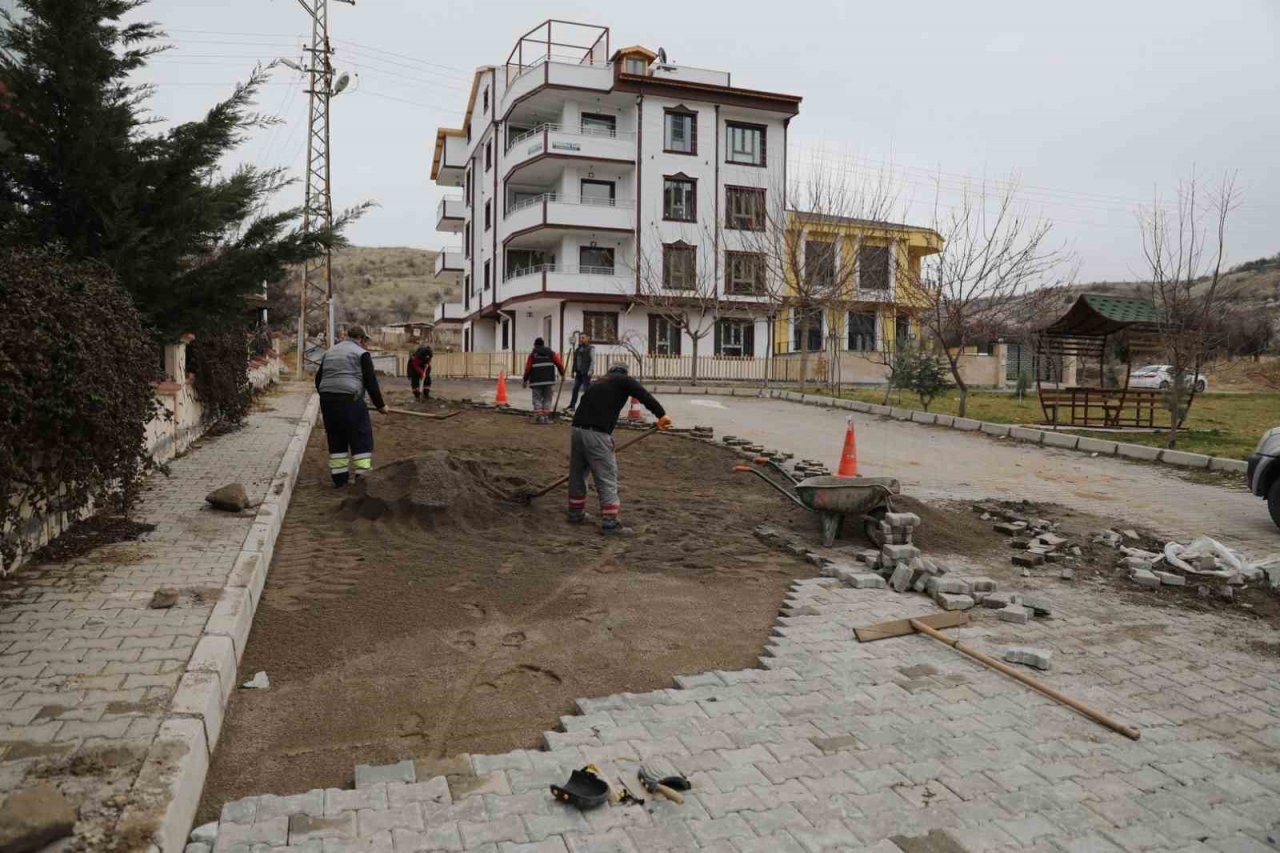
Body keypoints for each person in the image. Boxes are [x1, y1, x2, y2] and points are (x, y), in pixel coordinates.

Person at [568, 364, 672, 534]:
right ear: (624, 373)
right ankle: (610, 522)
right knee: (606, 475)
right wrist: (661, 415)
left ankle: (575, 513)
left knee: (578, 473)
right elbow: (644, 395)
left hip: (577, 430)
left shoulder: (598, 381)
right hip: (597, 434)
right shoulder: (624, 380)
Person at [315, 326, 386, 487]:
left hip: (328, 400)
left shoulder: (330, 352)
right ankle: (362, 478)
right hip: (350, 399)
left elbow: (318, 379)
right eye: (365, 340)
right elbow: (371, 383)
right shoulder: (361, 353)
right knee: (360, 435)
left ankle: (340, 480)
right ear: (361, 338)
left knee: (336, 437)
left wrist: (329, 398)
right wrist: (381, 405)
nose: (366, 344)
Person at [522, 337, 565, 424]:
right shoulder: (550, 353)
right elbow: (559, 363)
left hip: (536, 380)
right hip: (549, 380)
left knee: (537, 398)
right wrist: (562, 374)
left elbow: (528, 368)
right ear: (543, 344)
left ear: (535, 345)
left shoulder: (533, 355)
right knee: (547, 398)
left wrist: (525, 380)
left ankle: (539, 417)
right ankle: (546, 418)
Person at [566, 332, 594, 412]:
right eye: (580, 338)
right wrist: (573, 371)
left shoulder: (591, 348)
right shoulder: (578, 349)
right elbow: (575, 361)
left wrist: (590, 370)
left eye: (583, 338)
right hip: (578, 372)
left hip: (586, 372)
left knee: (586, 390)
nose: (581, 339)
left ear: (588, 338)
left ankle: (588, 407)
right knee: (575, 389)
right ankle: (572, 406)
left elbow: (592, 360)